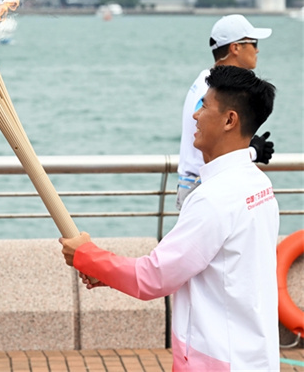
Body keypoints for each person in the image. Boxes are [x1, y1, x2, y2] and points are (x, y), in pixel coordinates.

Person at [60, 65, 279, 371]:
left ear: (230, 120)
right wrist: (106, 273)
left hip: (216, 360)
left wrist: (86, 255)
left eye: (204, 106)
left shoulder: (214, 197)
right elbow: (197, 267)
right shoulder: (259, 185)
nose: (195, 115)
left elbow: (154, 277)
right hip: (255, 356)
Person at [176, 14, 275, 210]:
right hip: (205, 186)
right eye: (253, 43)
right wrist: (253, 152)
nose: (257, 49)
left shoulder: (207, 81)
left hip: (198, 184)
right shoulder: (214, 90)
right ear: (235, 47)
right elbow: (209, 145)